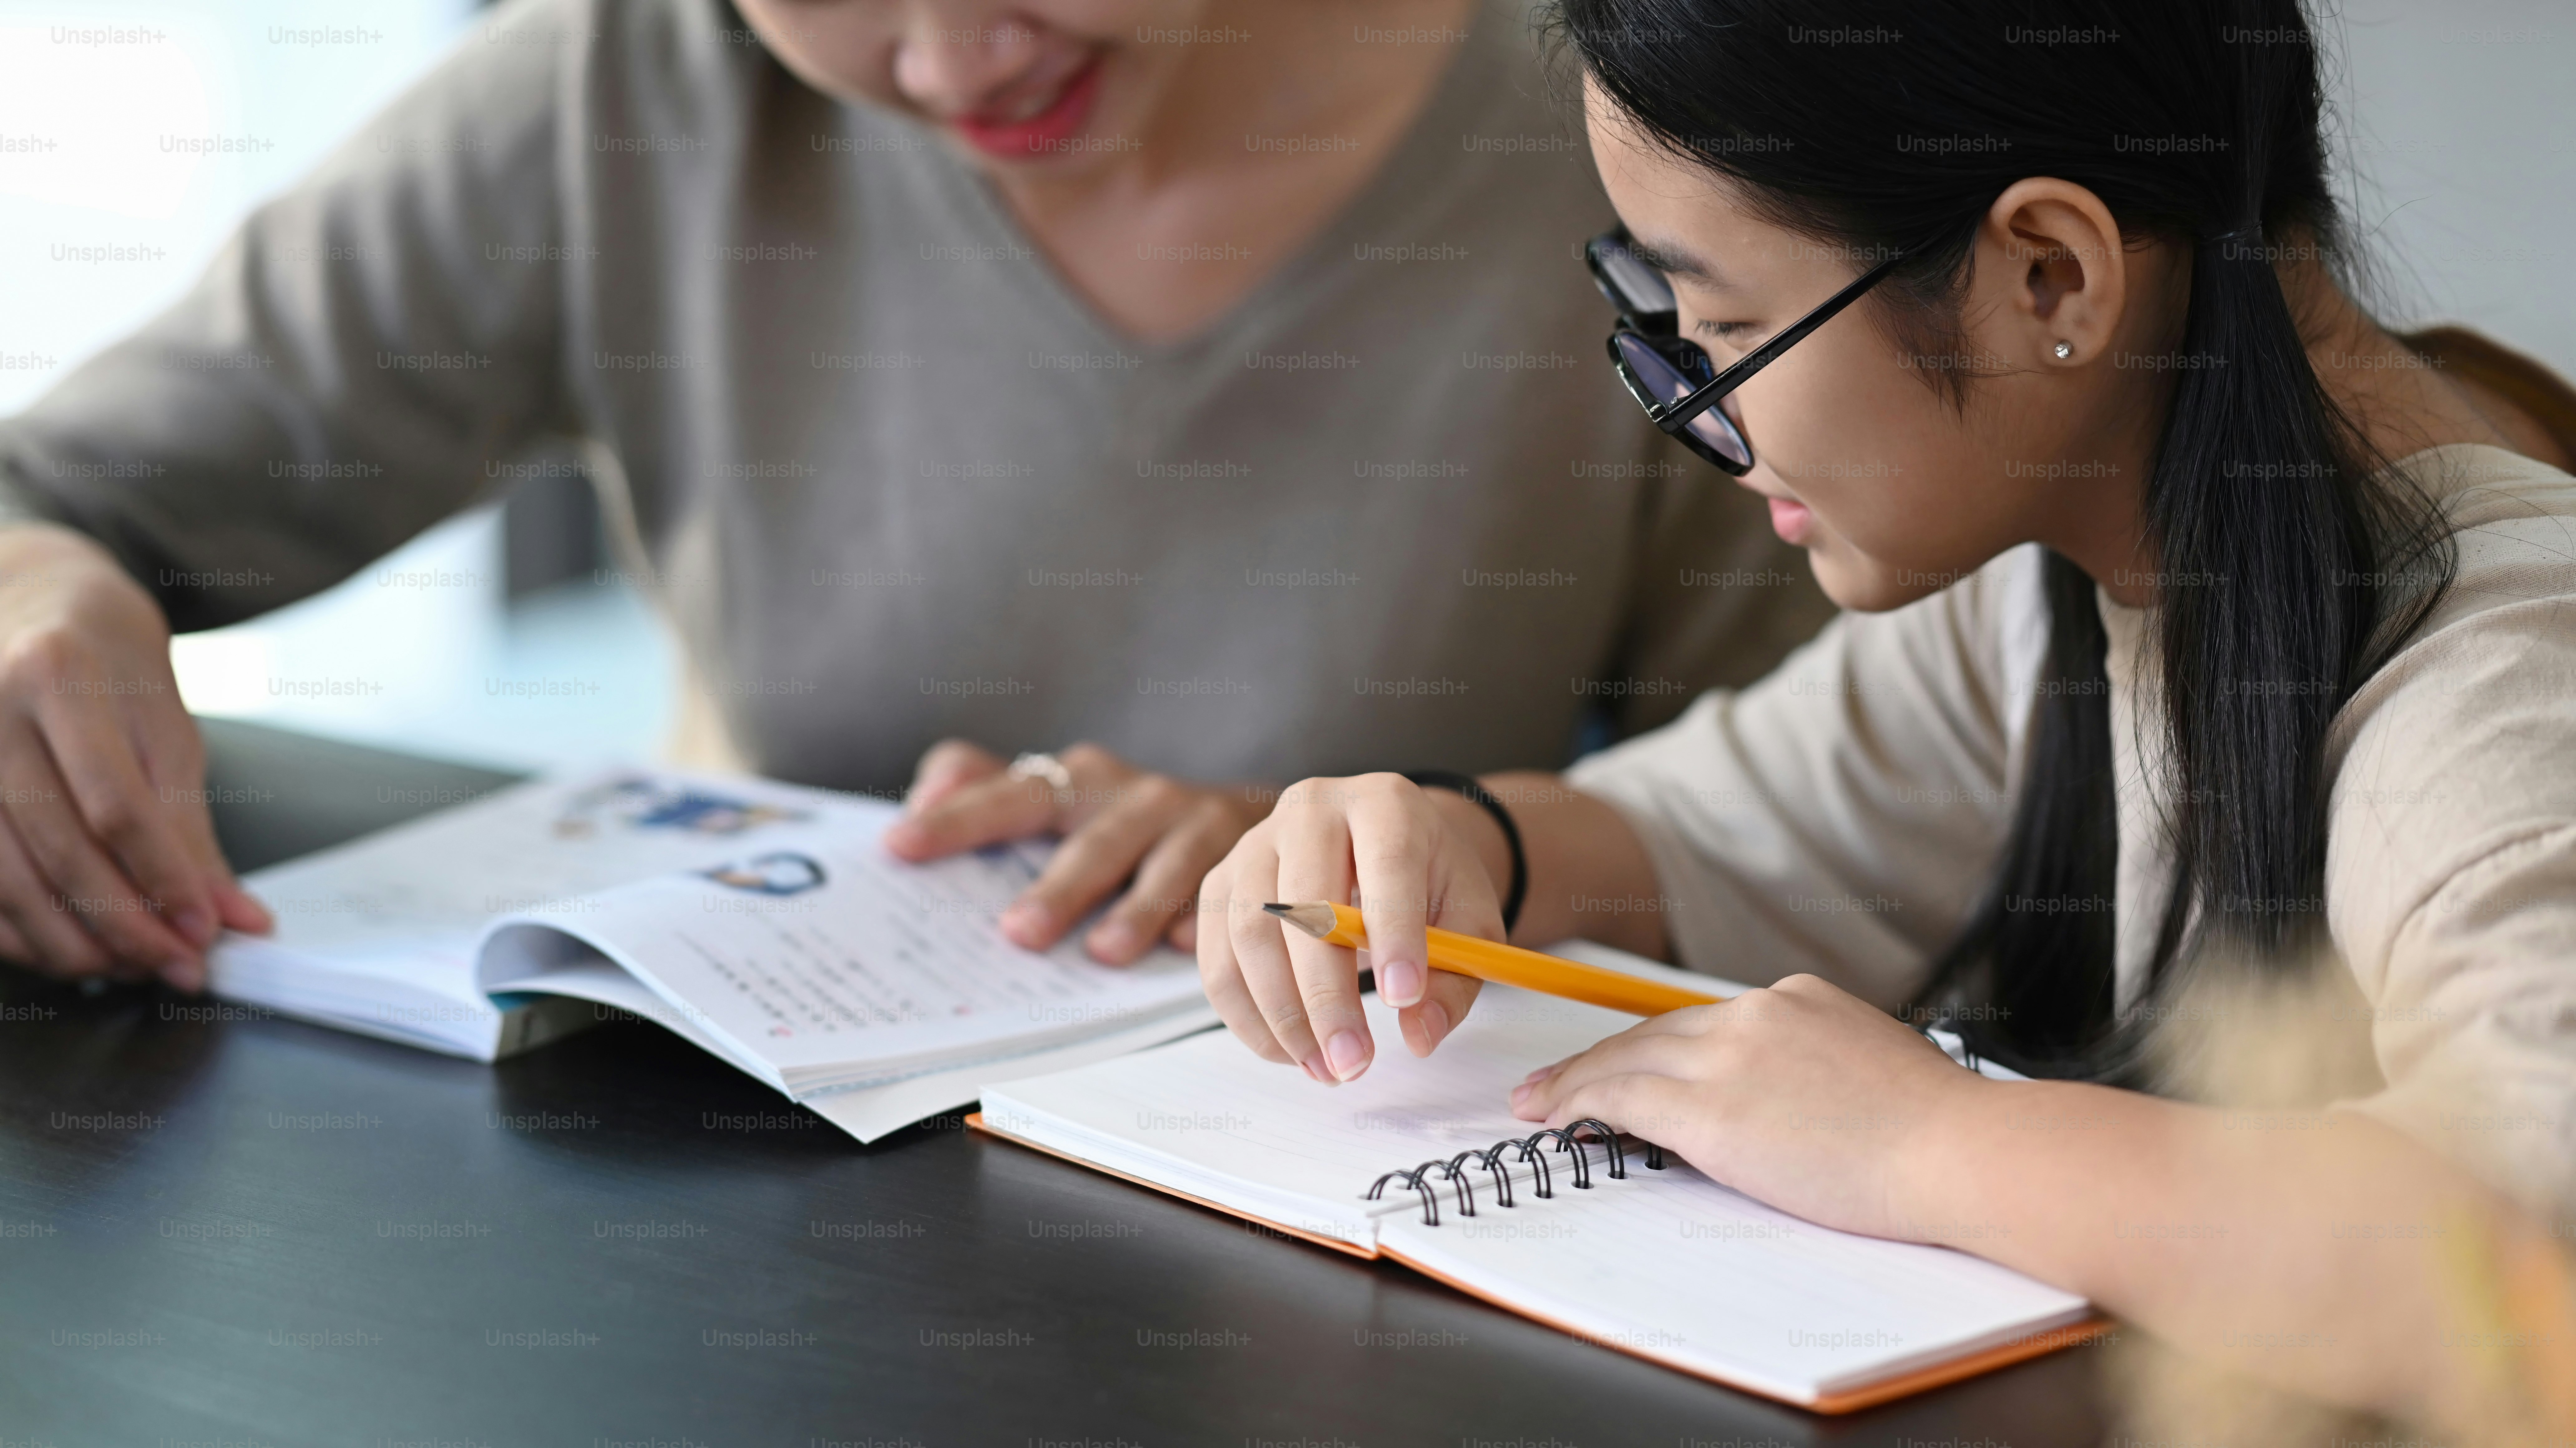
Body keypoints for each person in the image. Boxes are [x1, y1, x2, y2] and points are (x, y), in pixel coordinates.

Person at [1196, 0, 2576, 1430]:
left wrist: (1931, 1142)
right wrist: (1451, 840)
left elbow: (2531, 1261)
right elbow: (1724, 830)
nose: (1694, 411)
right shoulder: (2074, 555)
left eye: (1724, 324)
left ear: (2048, 276)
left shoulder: (2502, 678)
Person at [0, 0, 1830, 990]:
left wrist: (1397, 856)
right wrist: (37, 578)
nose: (953, 63)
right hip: (726, 1189)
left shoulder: (1633, 127)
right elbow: (51, 495)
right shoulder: (628, 88)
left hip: (1360, 1215)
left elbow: (1853, 823)